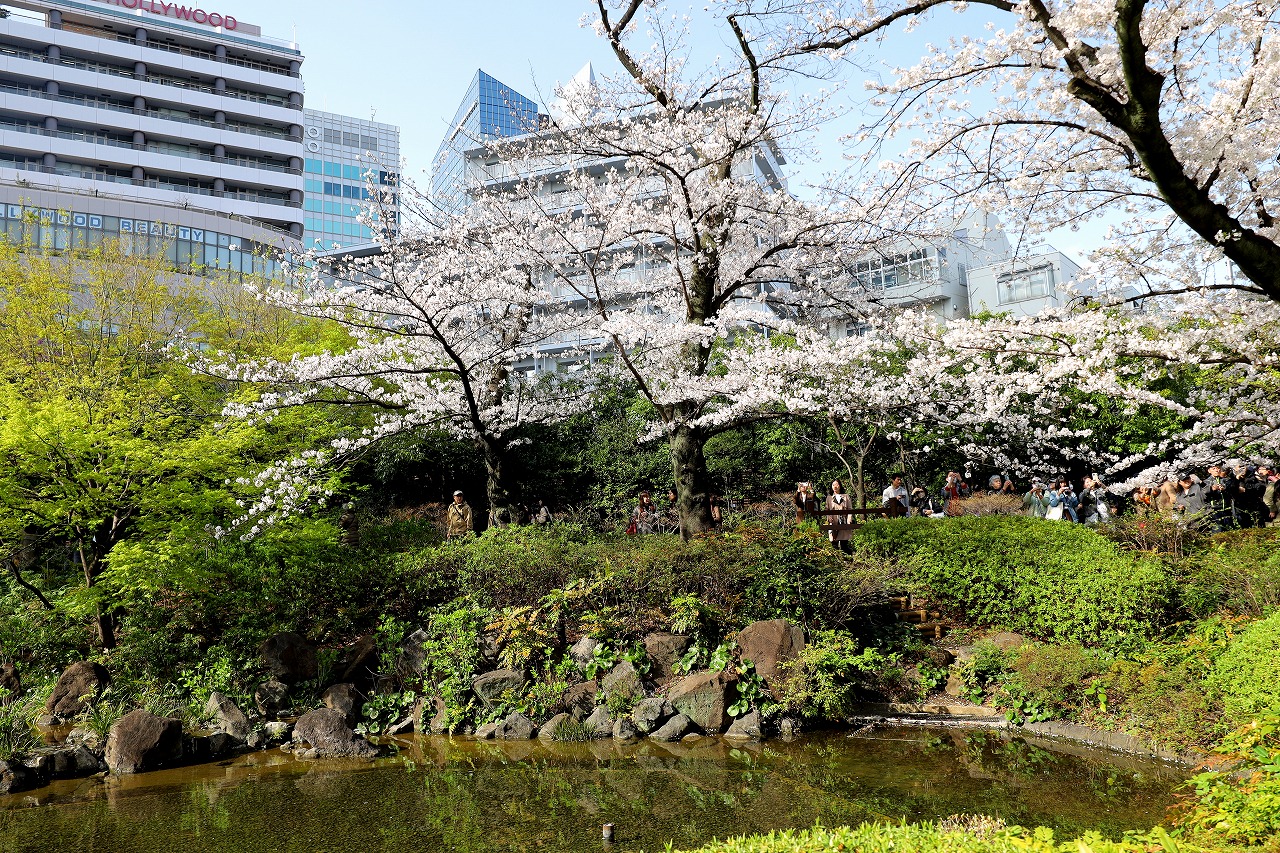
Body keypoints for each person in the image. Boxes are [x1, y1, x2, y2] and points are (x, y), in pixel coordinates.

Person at [825, 479, 854, 552]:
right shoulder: (829, 498)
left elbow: (850, 509)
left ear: (840, 486)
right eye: (833, 485)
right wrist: (828, 517)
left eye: (837, 484)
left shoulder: (846, 496)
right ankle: (836, 557)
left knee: (844, 542)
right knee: (834, 542)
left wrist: (849, 519)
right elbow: (827, 509)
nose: (835, 487)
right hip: (833, 521)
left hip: (844, 520)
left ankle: (847, 557)